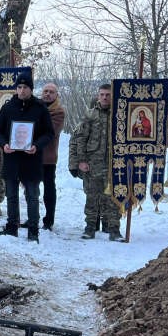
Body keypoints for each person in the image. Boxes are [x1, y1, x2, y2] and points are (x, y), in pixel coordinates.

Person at [0, 73, 54, 242]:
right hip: (11, 157)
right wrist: (4, 144)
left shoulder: (40, 108)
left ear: (31, 89)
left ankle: (33, 230)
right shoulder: (7, 108)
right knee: (11, 194)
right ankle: (12, 226)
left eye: (25, 87)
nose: (22, 90)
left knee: (32, 195)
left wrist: (37, 145)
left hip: (31, 158)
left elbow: (49, 132)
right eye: (19, 87)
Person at [75, 84, 122, 241]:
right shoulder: (90, 115)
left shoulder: (120, 114)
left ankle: (114, 229)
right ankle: (90, 227)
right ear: (98, 95)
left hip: (114, 163)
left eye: (108, 94)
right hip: (93, 162)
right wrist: (81, 160)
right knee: (92, 196)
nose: (104, 97)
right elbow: (81, 138)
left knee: (113, 196)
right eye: (102, 94)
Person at [40, 83, 65, 231]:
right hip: (32, 155)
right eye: (45, 91)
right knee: (31, 189)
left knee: (49, 189)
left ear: (56, 95)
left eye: (51, 92)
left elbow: (50, 131)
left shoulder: (58, 111)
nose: (47, 94)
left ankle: (49, 220)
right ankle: (32, 217)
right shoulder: (34, 107)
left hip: (48, 157)